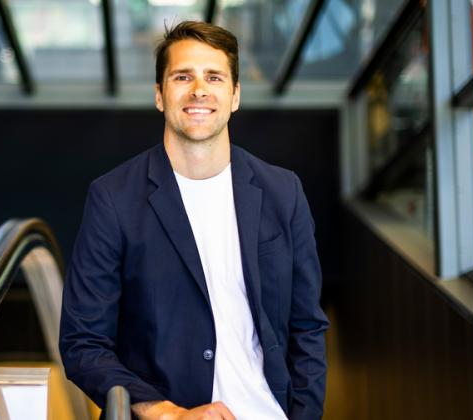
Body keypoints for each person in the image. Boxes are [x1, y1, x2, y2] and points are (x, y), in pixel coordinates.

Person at [59, 21, 329, 420]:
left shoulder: (282, 192)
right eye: (183, 76)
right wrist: (168, 413)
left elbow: (307, 326)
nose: (199, 89)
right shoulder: (113, 198)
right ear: (159, 95)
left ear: (234, 95)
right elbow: (84, 343)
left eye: (214, 77)